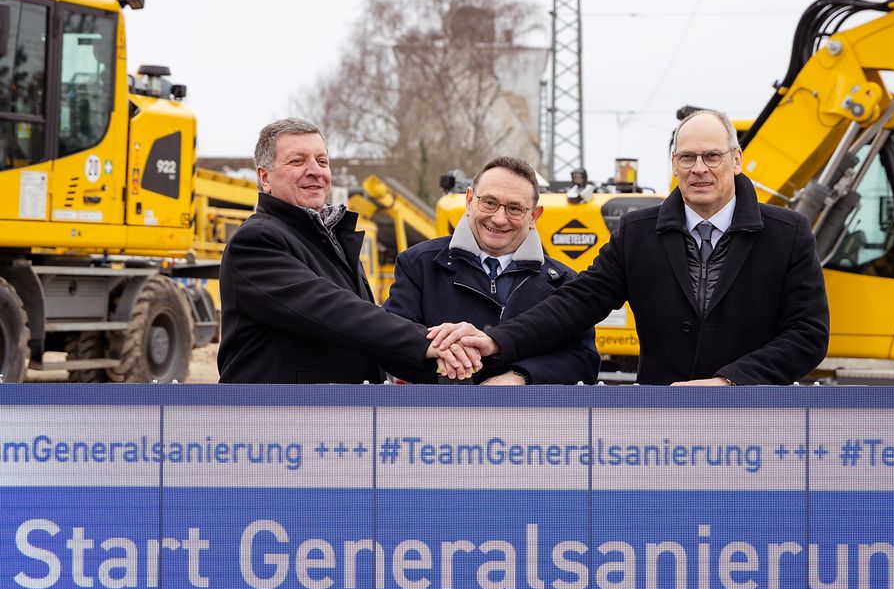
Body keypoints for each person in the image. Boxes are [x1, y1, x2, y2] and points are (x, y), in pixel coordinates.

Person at [429, 110, 829, 385]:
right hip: (660, 430)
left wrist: (731, 382)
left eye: (712, 156)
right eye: (687, 157)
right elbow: (575, 304)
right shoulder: (638, 233)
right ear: (673, 163)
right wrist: (498, 340)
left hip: (759, 421)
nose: (699, 168)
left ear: (737, 160)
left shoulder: (788, 234)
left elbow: (807, 334)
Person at [217, 117, 475, 383]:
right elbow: (333, 310)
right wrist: (426, 342)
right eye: (297, 161)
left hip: (330, 405)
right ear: (264, 177)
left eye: (322, 161)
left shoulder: (331, 238)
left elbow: (364, 328)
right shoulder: (256, 241)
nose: (315, 171)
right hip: (275, 407)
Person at [383, 156, 599, 385]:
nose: (499, 219)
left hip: (528, 409)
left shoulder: (564, 282)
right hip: (435, 407)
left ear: (534, 216)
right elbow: (390, 341)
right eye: (489, 202)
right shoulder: (418, 264)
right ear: (469, 200)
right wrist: (445, 361)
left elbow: (583, 361)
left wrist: (522, 376)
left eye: (514, 208)